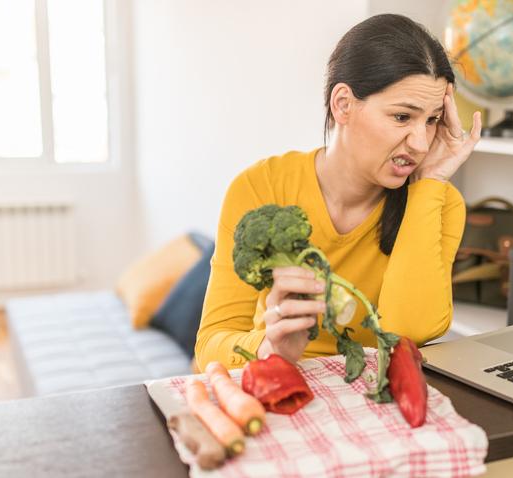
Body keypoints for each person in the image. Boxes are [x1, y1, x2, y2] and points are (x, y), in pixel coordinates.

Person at [194, 14, 482, 371]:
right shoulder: (260, 187)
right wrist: (271, 347)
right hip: (275, 378)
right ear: (343, 104)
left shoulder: (438, 202)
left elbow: (410, 331)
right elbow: (209, 348)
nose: (421, 143)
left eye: (432, 119)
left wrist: (430, 183)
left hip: (372, 399)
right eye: (402, 117)